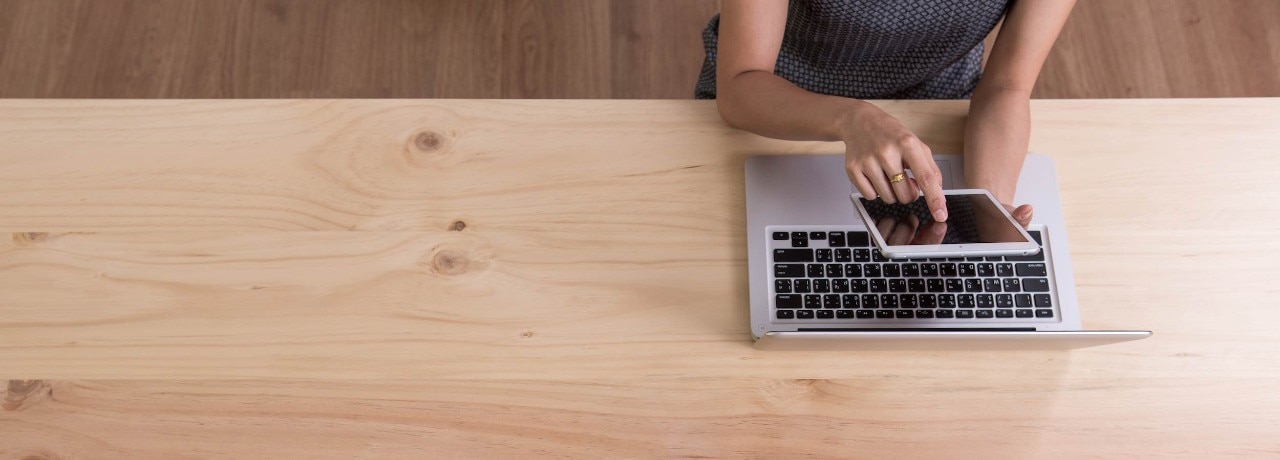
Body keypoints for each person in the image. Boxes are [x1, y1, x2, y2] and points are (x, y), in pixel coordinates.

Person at [697, 0, 1075, 228]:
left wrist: (987, 204)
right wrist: (853, 119)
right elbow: (740, 83)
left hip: (930, 114)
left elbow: (1007, 86)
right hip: (777, 108)